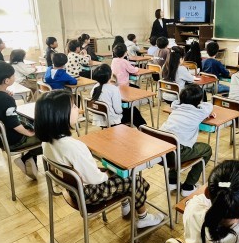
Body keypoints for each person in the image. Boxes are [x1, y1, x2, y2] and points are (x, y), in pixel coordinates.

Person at [34, 90, 163, 228]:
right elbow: (96, 179)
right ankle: (144, 218)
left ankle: (126, 202)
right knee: (134, 179)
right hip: (89, 194)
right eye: (73, 106)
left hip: (73, 190)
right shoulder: (75, 147)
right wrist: (108, 173)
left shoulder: (46, 143)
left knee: (117, 172)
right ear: (60, 115)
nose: (78, 108)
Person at [0, 61, 41, 179]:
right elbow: (14, 124)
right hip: (13, 140)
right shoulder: (6, 100)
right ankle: (25, 158)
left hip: (0, 137)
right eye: (13, 76)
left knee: (33, 125)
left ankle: (31, 164)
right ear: (6, 81)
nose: (14, 77)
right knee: (47, 136)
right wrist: (28, 133)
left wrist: (6, 95)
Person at [160, 84, 214, 197]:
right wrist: (201, 106)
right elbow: (209, 106)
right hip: (176, 155)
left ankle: (172, 181)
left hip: (161, 152)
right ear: (199, 101)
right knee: (207, 149)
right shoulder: (200, 112)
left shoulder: (176, 106)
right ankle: (188, 187)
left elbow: (175, 103)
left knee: (176, 141)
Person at [90, 64, 146, 128]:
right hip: (112, 121)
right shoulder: (113, 89)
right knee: (133, 111)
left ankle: (141, 129)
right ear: (110, 76)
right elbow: (118, 111)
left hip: (100, 120)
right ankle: (144, 129)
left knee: (131, 111)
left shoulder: (94, 88)